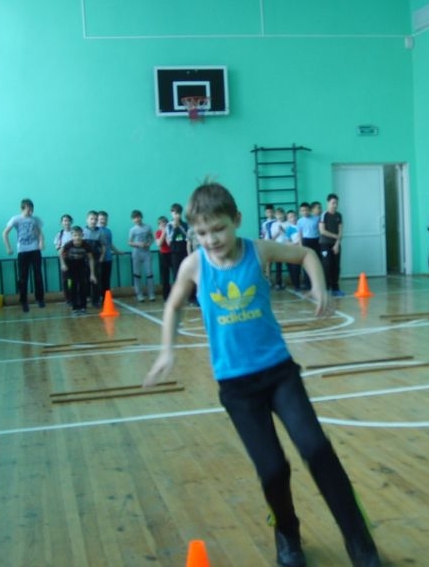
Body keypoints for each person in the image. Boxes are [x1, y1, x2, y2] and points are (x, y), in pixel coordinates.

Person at [144, 182, 381, 567]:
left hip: (280, 374)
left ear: (236, 220)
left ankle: (358, 538)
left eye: (218, 229)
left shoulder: (259, 250)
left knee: (317, 450)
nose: (211, 239)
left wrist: (319, 286)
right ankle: (287, 534)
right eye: (202, 233)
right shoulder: (194, 266)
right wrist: (166, 350)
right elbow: (172, 307)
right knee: (272, 470)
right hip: (237, 388)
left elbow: (306, 254)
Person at [3, 198, 45, 313]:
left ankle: (40, 299)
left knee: (38, 275)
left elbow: (40, 233)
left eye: (32, 209)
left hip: (35, 250)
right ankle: (24, 301)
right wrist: (8, 247)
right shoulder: (16, 219)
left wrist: (41, 242)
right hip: (22, 251)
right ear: (23, 208)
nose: (31, 211)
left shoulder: (35, 219)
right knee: (23, 277)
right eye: (28, 209)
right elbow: (5, 233)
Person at [59, 226, 97, 315]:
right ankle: (75, 308)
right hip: (70, 266)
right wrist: (63, 264)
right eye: (75, 235)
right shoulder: (68, 244)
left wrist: (92, 274)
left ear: (82, 235)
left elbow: (91, 259)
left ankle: (83, 307)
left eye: (79, 235)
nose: (77, 237)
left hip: (81, 265)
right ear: (72, 236)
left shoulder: (86, 245)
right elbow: (60, 253)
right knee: (73, 287)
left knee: (83, 286)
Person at [319, 193, 344, 297]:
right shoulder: (324, 215)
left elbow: (341, 231)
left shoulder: (339, 215)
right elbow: (322, 231)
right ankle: (325, 288)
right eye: (333, 203)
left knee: (336, 267)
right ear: (328, 203)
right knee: (327, 265)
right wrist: (335, 236)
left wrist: (337, 244)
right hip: (325, 244)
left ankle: (335, 288)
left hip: (336, 245)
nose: (335, 205)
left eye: (336, 203)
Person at [128, 210, 155, 302]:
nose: (137, 219)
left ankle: (151, 294)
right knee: (137, 274)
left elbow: (152, 238)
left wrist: (149, 244)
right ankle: (139, 294)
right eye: (135, 218)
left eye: (138, 217)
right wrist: (138, 244)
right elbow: (129, 242)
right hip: (136, 253)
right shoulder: (132, 230)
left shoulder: (148, 227)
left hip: (146, 253)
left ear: (141, 217)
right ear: (132, 220)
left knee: (149, 273)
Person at [97, 211, 123, 296]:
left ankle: (106, 297)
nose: (103, 221)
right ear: (97, 219)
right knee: (98, 279)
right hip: (98, 259)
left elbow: (110, 244)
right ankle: (98, 297)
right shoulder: (95, 230)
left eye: (105, 219)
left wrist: (117, 251)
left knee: (106, 279)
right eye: (101, 219)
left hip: (108, 259)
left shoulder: (108, 231)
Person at [297, 202, 321, 290]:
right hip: (306, 241)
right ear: (300, 212)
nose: (305, 212)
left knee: (317, 262)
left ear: (310, 210)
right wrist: (300, 245)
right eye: (303, 210)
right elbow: (300, 234)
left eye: (306, 210)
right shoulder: (300, 221)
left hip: (316, 241)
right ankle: (307, 284)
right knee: (307, 263)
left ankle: (318, 283)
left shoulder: (317, 218)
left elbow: (320, 231)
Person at [165, 204, 190, 287]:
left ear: (181, 214)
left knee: (186, 271)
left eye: (178, 213)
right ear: (171, 213)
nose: (176, 215)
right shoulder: (169, 225)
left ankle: (188, 291)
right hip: (174, 252)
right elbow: (170, 239)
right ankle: (177, 290)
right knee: (176, 273)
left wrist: (179, 226)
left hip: (184, 251)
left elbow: (188, 236)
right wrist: (174, 228)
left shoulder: (185, 224)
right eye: (174, 213)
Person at [54, 214, 75, 305]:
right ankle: (68, 299)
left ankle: (75, 297)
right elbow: (58, 249)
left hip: (75, 259)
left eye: (68, 220)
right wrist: (62, 263)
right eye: (64, 221)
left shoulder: (75, 232)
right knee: (65, 280)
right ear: (61, 223)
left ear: (71, 222)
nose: (66, 222)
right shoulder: (60, 235)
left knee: (75, 280)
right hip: (65, 259)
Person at [155, 215, 174, 299]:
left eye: (164, 223)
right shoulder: (157, 233)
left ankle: (176, 294)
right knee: (165, 277)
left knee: (175, 274)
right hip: (163, 255)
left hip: (172, 254)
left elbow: (170, 244)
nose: (163, 225)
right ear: (158, 225)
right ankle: (166, 296)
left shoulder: (171, 232)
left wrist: (167, 233)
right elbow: (159, 244)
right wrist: (163, 232)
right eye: (161, 224)